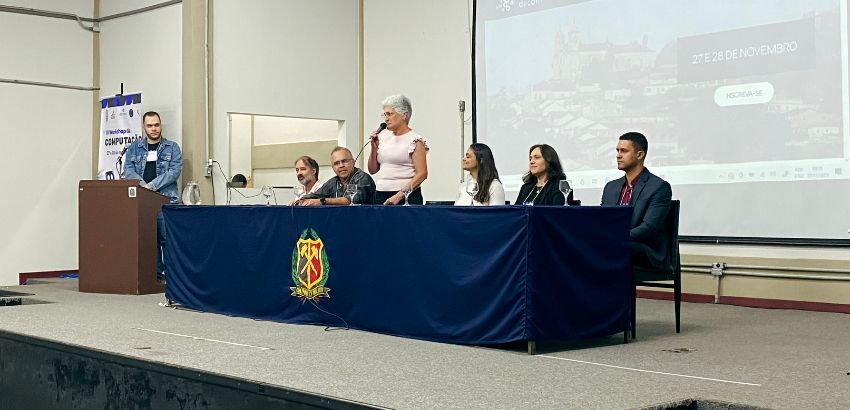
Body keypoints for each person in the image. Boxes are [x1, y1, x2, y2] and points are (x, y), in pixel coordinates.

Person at [123, 111, 183, 282]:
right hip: (143, 202)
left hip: (166, 201)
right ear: (144, 127)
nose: (154, 128)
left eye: (156, 124)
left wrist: (152, 186)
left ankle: (173, 278)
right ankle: (155, 276)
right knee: (150, 241)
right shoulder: (133, 148)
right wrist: (143, 187)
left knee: (168, 240)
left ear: (160, 125)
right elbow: (128, 170)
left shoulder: (172, 147)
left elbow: (174, 172)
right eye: (149, 125)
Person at [601, 132, 672, 270]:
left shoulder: (659, 187)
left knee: (612, 248)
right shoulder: (611, 187)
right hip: (618, 243)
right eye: (617, 150)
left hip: (644, 248)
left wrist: (617, 238)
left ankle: (609, 291)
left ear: (640, 155)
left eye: (624, 151)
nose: (618, 155)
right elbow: (603, 219)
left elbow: (649, 228)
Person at [368, 94, 428, 205]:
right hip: (380, 194)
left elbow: (422, 174)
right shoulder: (382, 137)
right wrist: (373, 147)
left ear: (404, 115)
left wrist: (399, 195)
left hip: (406, 196)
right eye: (384, 115)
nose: (386, 118)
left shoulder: (415, 140)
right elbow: (372, 170)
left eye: (390, 114)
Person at [298, 147, 376, 206]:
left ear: (353, 162)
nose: (341, 165)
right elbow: (316, 195)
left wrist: (322, 201)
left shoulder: (363, 178)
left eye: (344, 161)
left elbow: (351, 200)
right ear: (333, 167)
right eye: (336, 163)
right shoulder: (333, 182)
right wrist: (301, 200)